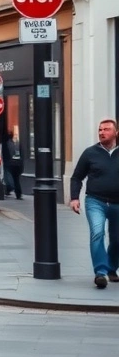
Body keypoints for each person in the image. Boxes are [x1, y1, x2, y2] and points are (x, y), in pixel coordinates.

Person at [69, 119, 119, 289]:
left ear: (116, 133)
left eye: (106, 129)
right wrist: (74, 198)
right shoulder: (90, 153)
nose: (102, 132)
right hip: (95, 201)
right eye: (100, 130)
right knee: (97, 233)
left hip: (118, 203)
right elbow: (76, 177)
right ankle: (100, 272)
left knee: (117, 239)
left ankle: (111, 268)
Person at [1, 130, 23, 200]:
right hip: (18, 163)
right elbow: (21, 154)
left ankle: (9, 188)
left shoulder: (6, 144)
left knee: (8, 177)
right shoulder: (17, 143)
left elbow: (5, 154)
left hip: (10, 164)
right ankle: (18, 194)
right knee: (16, 179)